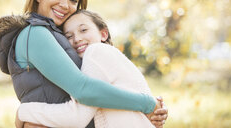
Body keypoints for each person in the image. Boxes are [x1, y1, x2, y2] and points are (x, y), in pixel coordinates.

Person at [0, 0, 167, 128]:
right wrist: (147, 104)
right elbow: (83, 90)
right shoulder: (36, 34)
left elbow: (102, 86)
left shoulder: (57, 36)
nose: (65, 5)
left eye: (73, 0)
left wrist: (149, 112)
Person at [16, 10, 167, 128]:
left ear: (103, 33)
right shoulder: (109, 57)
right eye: (69, 36)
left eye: (83, 30)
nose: (77, 39)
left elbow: (78, 116)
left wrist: (24, 112)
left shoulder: (96, 52)